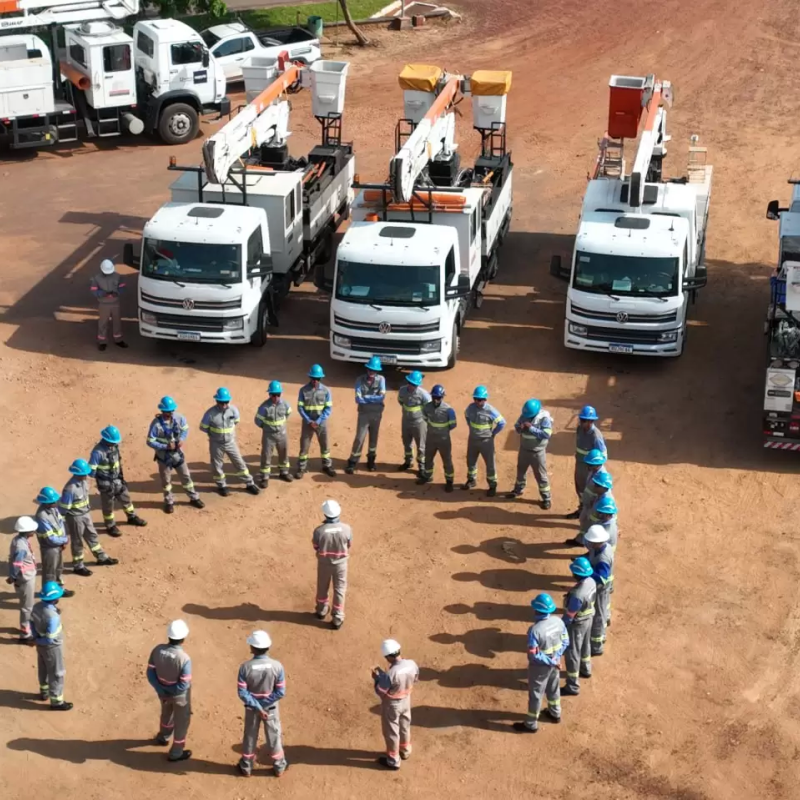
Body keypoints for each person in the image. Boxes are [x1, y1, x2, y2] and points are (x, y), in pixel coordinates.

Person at [513, 593, 568, 733]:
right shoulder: (558, 621)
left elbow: (534, 653)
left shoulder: (535, 630)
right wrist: (556, 658)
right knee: (554, 688)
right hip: (555, 661)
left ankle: (531, 724)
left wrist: (549, 661)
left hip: (539, 668)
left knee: (536, 694)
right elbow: (566, 641)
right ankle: (555, 713)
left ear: (536, 610)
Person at [236, 630, 288, 778]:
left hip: (252, 709)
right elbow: (280, 692)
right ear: (268, 647)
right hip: (271, 709)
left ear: (252, 648)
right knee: (274, 736)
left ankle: (246, 766)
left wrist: (257, 707)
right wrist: (264, 706)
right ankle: (279, 766)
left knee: (250, 736)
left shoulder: (245, 667)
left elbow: (242, 693)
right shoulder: (277, 666)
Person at [59, 459, 119, 575]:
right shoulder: (70, 489)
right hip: (75, 517)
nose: (86, 475)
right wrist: (61, 524)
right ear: (77, 474)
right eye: (83, 474)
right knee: (77, 542)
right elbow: (63, 509)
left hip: (85, 514)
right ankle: (78, 566)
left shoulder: (84, 482)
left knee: (92, 535)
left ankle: (101, 557)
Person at [147, 396, 205, 513]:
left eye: (171, 410)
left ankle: (194, 498)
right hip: (164, 458)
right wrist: (165, 446)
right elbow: (150, 441)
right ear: (162, 411)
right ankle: (169, 501)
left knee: (186, 477)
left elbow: (185, 429)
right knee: (166, 482)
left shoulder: (179, 418)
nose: (170, 413)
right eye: (168, 411)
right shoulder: (156, 425)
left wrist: (182, 439)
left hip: (178, 455)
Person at [147, 619, 193, 762]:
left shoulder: (157, 650)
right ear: (183, 638)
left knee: (166, 715)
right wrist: (172, 692)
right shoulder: (184, 658)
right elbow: (184, 684)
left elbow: (150, 673)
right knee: (182, 722)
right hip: (179, 696)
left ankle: (163, 737)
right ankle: (176, 753)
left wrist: (162, 690)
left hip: (163, 693)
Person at [200, 388, 260, 496]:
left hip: (230, 443)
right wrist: (214, 436)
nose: (224, 405)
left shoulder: (233, 410)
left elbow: (236, 421)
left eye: (226, 402)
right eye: (221, 402)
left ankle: (249, 483)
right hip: (216, 444)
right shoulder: (210, 414)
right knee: (217, 465)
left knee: (239, 462)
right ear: (216, 401)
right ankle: (221, 485)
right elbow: (204, 427)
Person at [89, 425, 148, 535]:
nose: (115, 443)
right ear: (106, 440)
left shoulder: (115, 447)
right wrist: (102, 480)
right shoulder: (97, 452)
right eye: (112, 441)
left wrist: (120, 477)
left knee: (126, 499)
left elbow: (118, 463)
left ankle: (132, 517)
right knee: (108, 506)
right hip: (106, 484)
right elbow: (91, 471)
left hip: (117, 481)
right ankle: (110, 526)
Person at [372, 639, 419, 769]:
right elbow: (415, 678)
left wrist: (377, 679)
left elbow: (381, 691)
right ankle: (405, 750)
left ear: (387, 656)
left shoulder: (390, 674)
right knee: (405, 725)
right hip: (406, 700)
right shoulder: (412, 664)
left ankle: (393, 760)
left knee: (392, 731)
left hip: (392, 705)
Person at [31, 581, 72, 710]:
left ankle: (44, 692)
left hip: (40, 645)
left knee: (43, 669)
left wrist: (36, 638)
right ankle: (57, 702)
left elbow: (31, 623)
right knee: (56, 673)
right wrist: (37, 641)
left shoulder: (36, 607)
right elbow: (50, 639)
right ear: (55, 599)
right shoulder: (53, 617)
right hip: (52, 648)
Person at [312, 499, 352, 630]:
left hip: (324, 563)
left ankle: (322, 610)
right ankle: (337, 617)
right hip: (341, 564)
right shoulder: (347, 528)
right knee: (340, 589)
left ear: (325, 514)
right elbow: (349, 544)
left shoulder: (319, 531)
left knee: (322, 586)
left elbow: (315, 546)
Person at [506, 398, 553, 508]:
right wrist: (520, 428)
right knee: (520, 471)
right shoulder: (524, 415)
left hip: (537, 452)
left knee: (541, 476)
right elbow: (517, 427)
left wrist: (531, 428)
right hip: (524, 450)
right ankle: (518, 490)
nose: (528, 417)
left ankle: (546, 498)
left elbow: (546, 434)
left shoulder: (544, 418)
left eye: (530, 416)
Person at [560, 557, 596, 696]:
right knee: (586, 645)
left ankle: (572, 686)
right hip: (589, 618)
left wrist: (560, 627)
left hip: (578, 624)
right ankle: (585, 669)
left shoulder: (577, 594)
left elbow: (570, 615)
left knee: (572, 653)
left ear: (576, 574)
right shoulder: (591, 581)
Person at [463, 385, 505, 497]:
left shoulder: (490, 410)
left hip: (486, 442)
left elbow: (502, 423)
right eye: (475, 399)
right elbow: (466, 416)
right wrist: (471, 427)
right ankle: (471, 480)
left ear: (485, 399)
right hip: (473, 440)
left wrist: (493, 433)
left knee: (490, 464)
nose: (477, 401)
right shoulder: (470, 408)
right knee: (470, 461)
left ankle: (492, 485)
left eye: (479, 399)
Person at [346, 357, 386, 474]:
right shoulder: (359, 380)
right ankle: (353, 461)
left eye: (373, 370)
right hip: (364, 414)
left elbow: (382, 397)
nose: (371, 372)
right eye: (369, 369)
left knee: (373, 439)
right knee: (359, 438)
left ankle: (371, 460)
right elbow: (358, 399)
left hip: (376, 415)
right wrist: (373, 399)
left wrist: (367, 398)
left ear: (377, 371)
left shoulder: (381, 380)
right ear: (367, 369)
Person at [566, 405, 606, 519]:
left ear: (591, 421)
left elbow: (603, 455)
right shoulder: (579, 429)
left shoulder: (596, 436)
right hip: (579, 464)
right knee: (580, 489)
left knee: (589, 492)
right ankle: (581, 510)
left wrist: (595, 470)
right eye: (581, 419)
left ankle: (590, 515)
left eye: (584, 420)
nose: (581, 422)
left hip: (589, 468)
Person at [296, 364, 336, 479]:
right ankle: (302, 468)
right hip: (307, 422)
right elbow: (300, 408)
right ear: (310, 378)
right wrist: (309, 420)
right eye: (313, 378)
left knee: (325, 445)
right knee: (304, 446)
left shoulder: (326, 391)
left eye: (317, 379)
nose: (315, 381)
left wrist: (318, 421)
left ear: (320, 378)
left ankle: (326, 466)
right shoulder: (303, 390)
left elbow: (328, 409)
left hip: (321, 422)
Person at [34, 486, 74, 598]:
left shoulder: (54, 509)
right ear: (46, 503)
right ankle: (48, 595)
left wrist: (63, 539)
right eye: (53, 501)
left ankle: (59, 589)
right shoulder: (42, 516)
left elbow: (60, 525)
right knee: (49, 573)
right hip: (49, 549)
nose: (56, 502)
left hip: (58, 545)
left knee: (59, 568)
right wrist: (65, 540)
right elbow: (49, 538)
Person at [255, 381, 294, 488]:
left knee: (284, 453)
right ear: (270, 394)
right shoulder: (264, 407)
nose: (276, 397)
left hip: (282, 434)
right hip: (269, 436)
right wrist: (267, 428)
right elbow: (258, 421)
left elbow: (288, 413)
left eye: (278, 395)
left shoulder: (285, 404)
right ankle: (265, 477)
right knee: (267, 455)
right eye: (274, 395)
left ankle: (284, 472)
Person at [564, 448, 607, 545]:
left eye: (590, 464)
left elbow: (603, 495)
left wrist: (593, 507)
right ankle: (581, 540)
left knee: (590, 527)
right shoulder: (593, 471)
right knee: (583, 522)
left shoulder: (601, 476)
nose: (587, 465)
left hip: (594, 508)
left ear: (596, 464)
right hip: (587, 505)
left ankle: (588, 545)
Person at [418, 384, 457, 491]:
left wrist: (442, 431)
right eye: (434, 397)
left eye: (438, 398)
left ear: (442, 397)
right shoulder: (427, 407)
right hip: (431, 439)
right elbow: (425, 418)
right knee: (428, 458)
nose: (436, 400)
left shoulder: (449, 410)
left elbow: (453, 425)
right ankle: (427, 476)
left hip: (443, 440)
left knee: (447, 461)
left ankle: (449, 481)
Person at [6, 516, 38, 644]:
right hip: (25, 579)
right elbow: (17, 564)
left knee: (28, 604)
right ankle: (25, 634)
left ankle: (28, 626)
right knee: (27, 607)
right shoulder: (21, 547)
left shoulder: (18, 540)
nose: (34, 532)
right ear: (27, 531)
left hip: (26, 577)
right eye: (32, 530)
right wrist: (12, 577)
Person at [584, 525, 614, 656]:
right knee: (603, 610)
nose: (589, 543)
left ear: (597, 542)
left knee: (598, 615)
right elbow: (590, 554)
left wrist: (587, 571)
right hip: (601, 589)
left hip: (600, 588)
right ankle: (607, 619)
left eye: (591, 542)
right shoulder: (599, 547)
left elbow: (602, 578)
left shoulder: (603, 559)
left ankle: (597, 645)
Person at [397, 372, 431, 477]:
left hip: (419, 423)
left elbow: (429, 408)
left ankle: (422, 466)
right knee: (406, 442)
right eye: (410, 383)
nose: (412, 386)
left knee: (421, 445)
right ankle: (408, 461)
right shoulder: (402, 390)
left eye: (414, 385)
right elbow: (400, 401)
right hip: (406, 421)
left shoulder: (424, 394)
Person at [91, 258, 128, 351]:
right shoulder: (97, 278)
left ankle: (118, 340)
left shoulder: (118, 276)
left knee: (117, 322)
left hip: (115, 303)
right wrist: (103, 293)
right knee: (103, 323)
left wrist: (118, 292)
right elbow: (94, 290)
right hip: (103, 304)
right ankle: (102, 341)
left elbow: (122, 287)